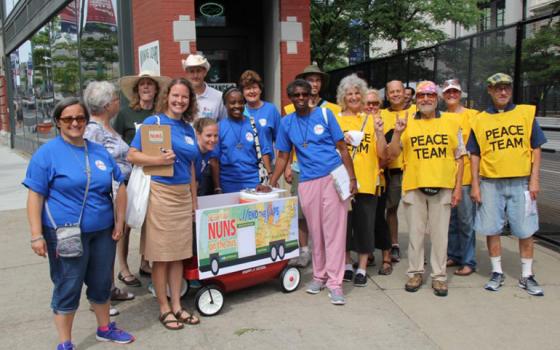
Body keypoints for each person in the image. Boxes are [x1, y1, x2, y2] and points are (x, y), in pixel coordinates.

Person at [24, 97, 134, 349]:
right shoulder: (47, 154)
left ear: (86, 120)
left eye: (80, 118)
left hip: (103, 231)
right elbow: (35, 196)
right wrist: (36, 234)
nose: (75, 123)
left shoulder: (98, 151)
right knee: (68, 284)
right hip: (65, 234)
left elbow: (120, 185)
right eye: (68, 119)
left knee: (100, 282)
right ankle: (65, 342)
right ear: (58, 122)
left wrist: (119, 221)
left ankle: (105, 329)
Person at [267, 79, 357, 305]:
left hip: (332, 177)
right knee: (315, 232)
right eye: (295, 95)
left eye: (303, 95)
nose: (300, 99)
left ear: (311, 96)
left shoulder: (325, 115)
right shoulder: (287, 123)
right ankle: (319, 276)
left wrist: (352, 177)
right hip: (307, 181)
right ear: (290, 98)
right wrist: (271, 181)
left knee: (334, 232)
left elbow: (342, 148)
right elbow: (282, 156)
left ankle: (335, 283)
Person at [127, 78, 201, 330]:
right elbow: (132, 155)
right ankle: (163, 308)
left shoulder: (188, 128)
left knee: (179, 254)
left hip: (182, 196)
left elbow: (191, 167)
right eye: (175, 96)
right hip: (160, 194)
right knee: (161, 256)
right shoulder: (154, 122)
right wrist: (155, 158)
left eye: (185, 97)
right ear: (167, 96)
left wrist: (193, 200)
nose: (180, 101)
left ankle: (178, 305)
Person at [468, 73, 546, 296]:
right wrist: (475, 184)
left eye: (506, 88)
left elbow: (536, 147)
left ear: (511, 90)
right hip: (491, 183)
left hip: (520, 181)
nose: (503, 92)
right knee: (492, 228)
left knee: (525, 229)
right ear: (490, 91)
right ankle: (497, 271)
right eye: (498, 88)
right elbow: (474, 154)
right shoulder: (480, 119)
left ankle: (527, 275)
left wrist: (534, 179)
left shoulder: (525, 113)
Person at [388, 81, 465, 297]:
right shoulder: (407, 123)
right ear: (415, 99)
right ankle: (415, 272)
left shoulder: (452, 122)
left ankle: (439, 277)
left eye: (430, 95)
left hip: (442, 186)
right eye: (421, 95)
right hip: (414, 186)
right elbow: (392, 153)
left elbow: (460, 157)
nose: (425, 99)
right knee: (415, 235)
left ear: (437, 98)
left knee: (440, 236)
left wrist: (458, 188)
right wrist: (396, 133)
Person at [83, 81, 135, 315]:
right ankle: (99, 298)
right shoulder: (93, 130)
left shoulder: (107, 126)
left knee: (110, 246)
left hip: (118, 193)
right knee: (101, 250)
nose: (118, 102)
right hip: (106, 196)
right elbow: (91, 166)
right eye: (115, 99)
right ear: (106, 105)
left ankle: (110, 288)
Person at [115, 70, 171, 280]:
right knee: (127, 222)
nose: (146, 87)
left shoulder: (160, 115)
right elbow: (117, 144)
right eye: (142, 84)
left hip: (155, 174)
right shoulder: (125, 114)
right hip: (131, 175)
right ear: (137, 90)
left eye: (150, 84)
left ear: (156, 89)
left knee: (150, 221)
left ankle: (145, 262)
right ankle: (123, 268)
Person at [283, 64, 341, 268]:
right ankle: (305, 250)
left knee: (327, 216)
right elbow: (287, 143)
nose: (313, 84)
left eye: (317, 80)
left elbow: (338, 143)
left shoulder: (331, 109)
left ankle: (326, 255)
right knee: (301, 214)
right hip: (301, 170)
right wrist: (288, 164)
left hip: (326, 171)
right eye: (310, 80)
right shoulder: (290, 109)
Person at [335, 74, 387, 287]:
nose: (354, 97)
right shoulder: (336, 120)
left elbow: (383, 154)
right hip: (342, 181)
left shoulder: (373, 119)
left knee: (365, 225)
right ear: (343, 97)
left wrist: (380, 132)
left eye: (357, 93)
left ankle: (363, 266)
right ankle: (347, 264)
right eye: (349, 93)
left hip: (367, 179)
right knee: (344, 226)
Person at [441, 79, 479, 276]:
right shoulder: (441, 117)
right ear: (443, 95)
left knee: (466, 221)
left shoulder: (473, 116)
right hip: (447, 177)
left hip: (464, 179)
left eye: (455, 91)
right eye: (448, 92)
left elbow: (476, 149)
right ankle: (454, 254)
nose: (452, 95)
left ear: (461, 93)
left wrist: (475, 180)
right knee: (451, 221)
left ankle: (468, 260)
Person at [381, 80, 417, 263]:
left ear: (405, 93)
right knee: (392, 208)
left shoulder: (416, 112)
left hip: (414, 169)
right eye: (391, 92)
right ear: (387, 95)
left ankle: (417, 248)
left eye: (398, 91)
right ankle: (394, 244)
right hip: (393, 171)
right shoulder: (381, 114)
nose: (395, 94)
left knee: (417, 212)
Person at [210, 87, 272, 193]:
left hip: (254, 183)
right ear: (225, 104)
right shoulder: (219, 128)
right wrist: (217, 187)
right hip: (228, 184)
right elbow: (214, 160)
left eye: (240, 102)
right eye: (232, 103)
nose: (237, 106)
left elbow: (264, 152)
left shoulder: (254, 125)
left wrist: (269, 178)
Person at [240, 70, 281, 156]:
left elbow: (280, 140)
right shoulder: (239, 111)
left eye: (254, 87)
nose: (251, 91)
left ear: (260, 90)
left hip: (267, 166)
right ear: (243, 92)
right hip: (244, 165)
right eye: (248, 88)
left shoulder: (271, 110)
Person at [182, 53, 227, 120]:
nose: (195, 75)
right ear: (186, 74)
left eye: (198, 71)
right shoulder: (180, 97)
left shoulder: (218, 97)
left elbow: (224, 124)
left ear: (205, 72)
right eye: (192, 71)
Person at [193, 117, 218, 196]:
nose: (213, 140)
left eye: (216, 135)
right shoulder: (193, 152)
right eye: (208, 136)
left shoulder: (209, 150)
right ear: (198, 134)